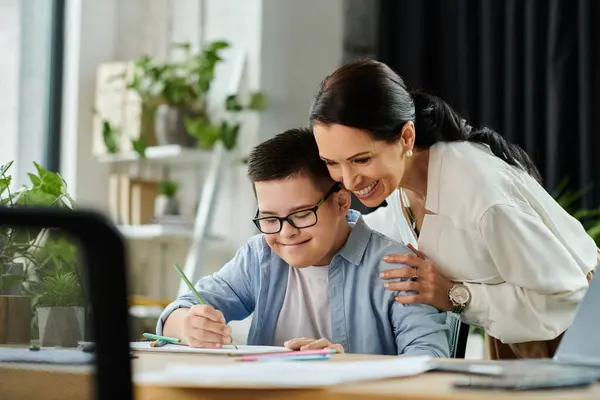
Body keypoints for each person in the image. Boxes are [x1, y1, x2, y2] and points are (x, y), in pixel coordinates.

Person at [309, 58, 599, 359]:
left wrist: (454, 295)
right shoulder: (403, 178)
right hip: (518, 333)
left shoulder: (482, 198)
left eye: (361, 160)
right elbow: (377, 231)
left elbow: (568, 296)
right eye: (332, 163)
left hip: (578, 329)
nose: (349, 180)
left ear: (406, 137)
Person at [157, 127, 450, 357]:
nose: (285, 233)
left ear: (341, 203)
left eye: (301, 215)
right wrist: (187, 324)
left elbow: (431, 358)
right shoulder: (259, 257)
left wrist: (347, 368)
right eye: (270, 218)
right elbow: (177, 312)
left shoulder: (394, 266)